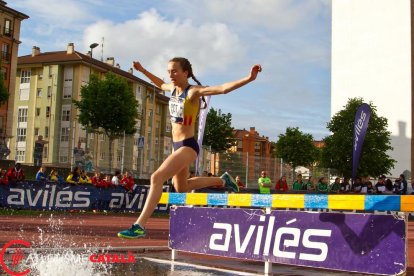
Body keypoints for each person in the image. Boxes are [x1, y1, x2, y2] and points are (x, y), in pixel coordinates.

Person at [118, 58, 261, 239]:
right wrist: (142, 70)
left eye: (175, 71)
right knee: (182, 188)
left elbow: (223, 88)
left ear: (186, 73)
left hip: (188, 146)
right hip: (176, 146)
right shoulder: (172, 90)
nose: (171, 75)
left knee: (157, 177)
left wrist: (249, 78)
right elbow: (160, 83)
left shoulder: (193, 92)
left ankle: (139, 225)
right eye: (169, 71)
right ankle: (222, 181)